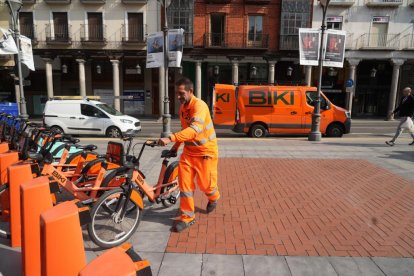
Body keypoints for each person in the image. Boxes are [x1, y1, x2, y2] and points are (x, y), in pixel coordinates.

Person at [157, 77, 220, 232]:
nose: (178, 97)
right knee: (185, 186)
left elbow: (194, 130)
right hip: (188, 154)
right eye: (177, 93)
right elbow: (184, 130)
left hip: (206, 153)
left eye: (181, 93)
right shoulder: (183, 107)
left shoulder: (200, 106)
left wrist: (170, 138)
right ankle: (187, 217)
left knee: (206, 186)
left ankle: (214, 197)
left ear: (191, 91)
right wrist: (176, 147)